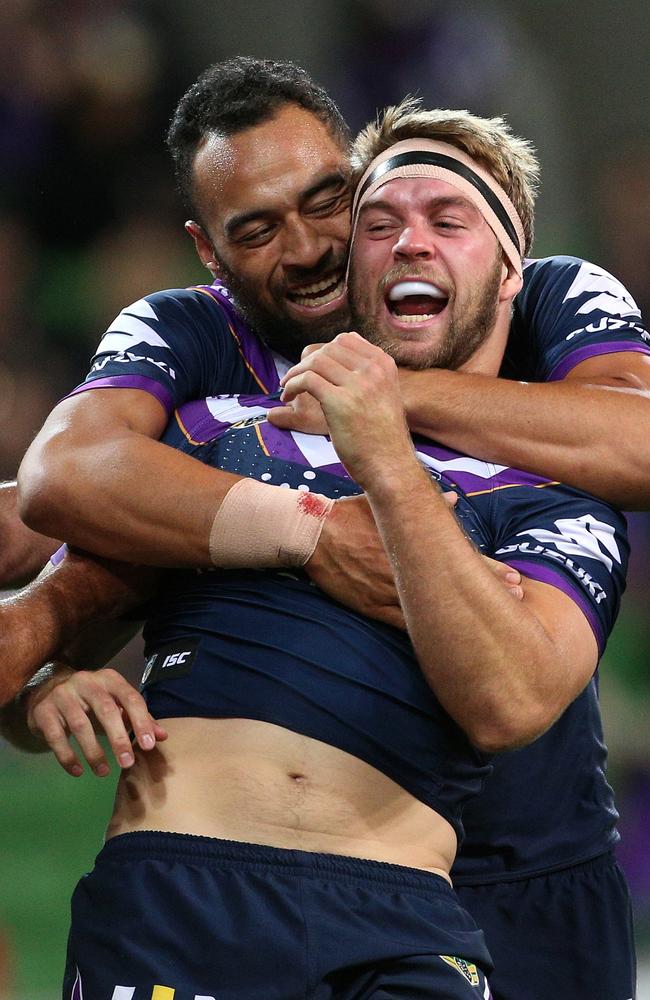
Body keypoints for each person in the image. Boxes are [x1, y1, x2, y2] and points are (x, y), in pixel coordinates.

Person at [1, 59, 647, 997]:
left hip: (521, 859)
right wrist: (45, 684)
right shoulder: (203, 357)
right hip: (222, 876)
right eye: (257, 229)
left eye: (327, 203)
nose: (308, 248)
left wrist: (387, 402)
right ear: (209, 253)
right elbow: (58, 499)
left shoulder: (540, 297)